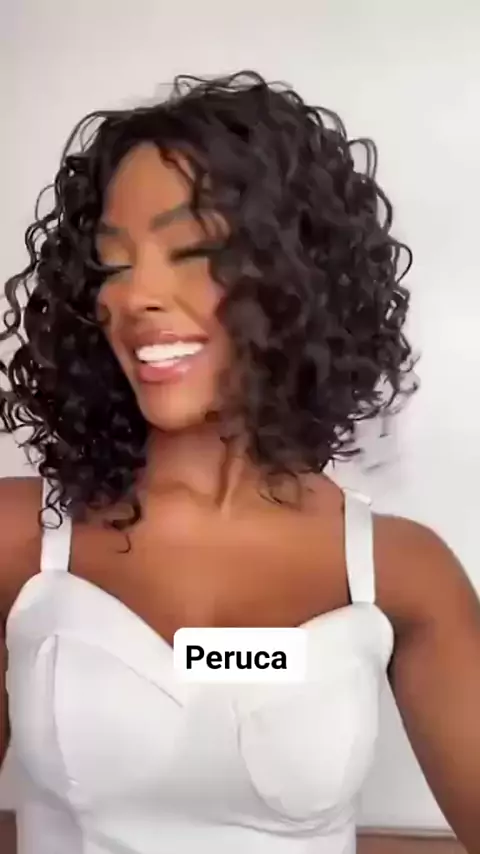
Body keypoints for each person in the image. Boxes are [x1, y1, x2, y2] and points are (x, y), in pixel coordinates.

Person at [0, 71, 479, 854]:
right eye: (114, 264)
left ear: (298, 280)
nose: (136, 296)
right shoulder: (21, 539)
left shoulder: (401, 572)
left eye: (193, 250)